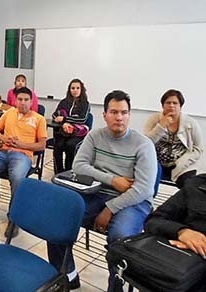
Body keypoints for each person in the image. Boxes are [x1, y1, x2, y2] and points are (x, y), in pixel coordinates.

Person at [47, 90, 158, 291]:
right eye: (114, 112)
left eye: (124, 112)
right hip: (97, 192)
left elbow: (143, 189)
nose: (119, 117)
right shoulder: (95, 136)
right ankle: (68, 275)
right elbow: (79, 166)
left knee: (120, 237)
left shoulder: (143, 145)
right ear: (104, 114)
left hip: (133, 201)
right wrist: (112, 180)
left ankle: (115, 287)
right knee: (56, 220)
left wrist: (109, 209)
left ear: (129, 115)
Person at [0, 87, 47, 237]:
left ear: (31, 101)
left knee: (18, 180)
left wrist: (22, 145)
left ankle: (14, 219)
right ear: (16, 100)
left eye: (26, 100)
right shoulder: (9, 113)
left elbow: (42, 145)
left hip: (23, 155)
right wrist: (4, 139)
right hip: (3, 152)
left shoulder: (39, 119)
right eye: (20, 100)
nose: (23, 103)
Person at [144, 174, 206, 291]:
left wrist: (199, 244)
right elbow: (154, 220)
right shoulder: (196, 186)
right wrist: (182, 232)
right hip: (177, 269)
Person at [144, 89, 202, 188]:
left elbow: (198, 148)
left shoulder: (190, 123)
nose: (171, 106)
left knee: (189, 187)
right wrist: (161, 126)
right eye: (168, 103)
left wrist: (182, 162)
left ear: (180, 106)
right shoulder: (154, 119)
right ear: (163, 105)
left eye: (175, 103)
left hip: (182, 165)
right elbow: (146, 143)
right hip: (157, 163)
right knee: (148, 184)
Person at [52, 78, 90, 173]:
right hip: (64, 132)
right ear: (69, 90)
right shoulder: (64, 102)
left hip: (78, 134)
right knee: (57, 146)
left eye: (78, 88)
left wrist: (65, 119)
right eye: (73, 88)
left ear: (81, 90)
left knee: (70, 146)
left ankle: (68, 173)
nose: (75, 90)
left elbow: (82, 119)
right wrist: (63, 123)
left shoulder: (85, 104)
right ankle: (58, 173)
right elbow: (54, 115)